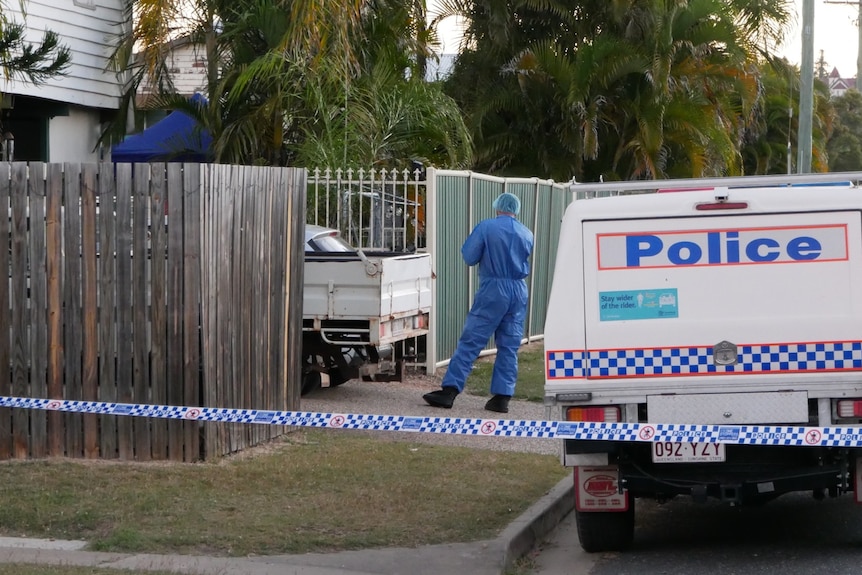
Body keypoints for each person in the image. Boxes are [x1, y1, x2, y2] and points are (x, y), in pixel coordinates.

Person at [423, 192, 534, 414]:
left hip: (493, 289)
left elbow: (469, 256)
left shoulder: (486, 227)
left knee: (472, 339)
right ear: (516, 209)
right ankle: (502, 397)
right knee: (510, 344)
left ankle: (450, 391)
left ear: (497, 207)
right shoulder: (527, 233)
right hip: (519, 290)